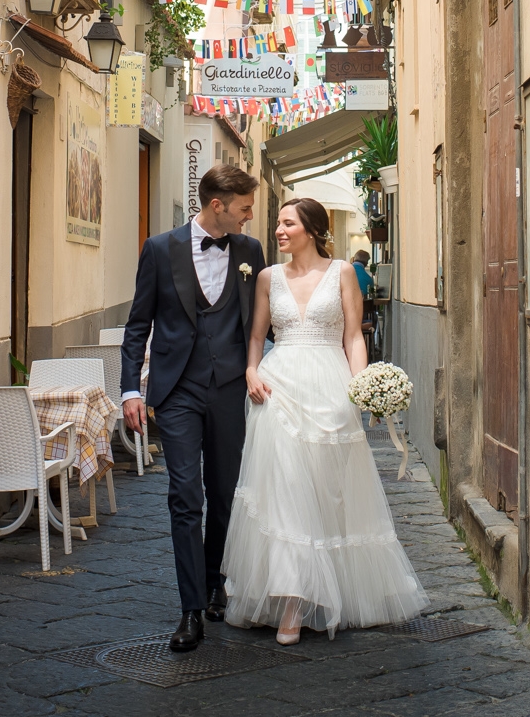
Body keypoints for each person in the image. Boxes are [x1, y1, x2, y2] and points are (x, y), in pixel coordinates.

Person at [221, 197, 428, 644]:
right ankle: (291, 599)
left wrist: (362, 387)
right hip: (278, 390)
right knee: (286, 490)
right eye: (277, 223)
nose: (278, 230)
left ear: (311, 230)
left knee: (327, 492)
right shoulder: (267, 278)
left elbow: (353, 335)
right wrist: (252, 370)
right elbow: (256, 337)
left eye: (287, 223)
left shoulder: (342, 274)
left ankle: (332, 587)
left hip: (330, 388)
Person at [120, 163, 266, 653]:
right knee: (186, 495)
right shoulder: (160, 249)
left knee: (224, 493)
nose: (250, 217)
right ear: (218, 205)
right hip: (177, 390)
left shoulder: (249, 251)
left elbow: (261, 324)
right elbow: (137, 325)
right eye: (245, 209)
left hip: (228, 390)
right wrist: (130, 391)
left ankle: (214, 582)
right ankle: (189, 610)